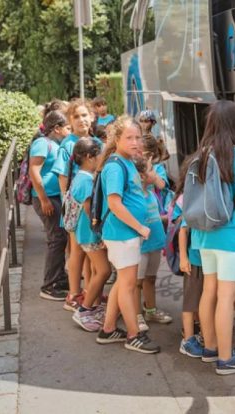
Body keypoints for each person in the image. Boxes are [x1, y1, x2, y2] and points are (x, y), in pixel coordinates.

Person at [189, 100, 235, 375]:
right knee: (227, 297)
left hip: (203, 234)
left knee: (209, 292)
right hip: (228, 236)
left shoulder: (201, 153)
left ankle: (211, 348)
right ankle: (227, 359)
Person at [95, 116, 160, 354]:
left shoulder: (126, 162)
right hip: (123, 234)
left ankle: (108, 328)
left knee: (123, 283)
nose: (135, 142)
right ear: (117, 139)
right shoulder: (115, 166)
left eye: (137, 137)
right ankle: (133, 334)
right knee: (128, 285)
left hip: (125, 233)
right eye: (129, 138)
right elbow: (114, 203)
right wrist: (140, 227)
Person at [52, 99, 102, 312]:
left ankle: (92, 291)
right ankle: (73, 293)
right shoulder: (68, 144)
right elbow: (63, 176)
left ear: (92, 117)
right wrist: (66, 203)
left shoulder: (94, 141)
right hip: (77, 206)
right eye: (76, 116)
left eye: (84, 115)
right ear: (70, 121)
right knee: (77, 252)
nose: (81, 120)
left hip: (91, 201)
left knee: (90, 252)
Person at [69, 138, 110, 332]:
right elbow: (89, 209)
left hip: (85, 234)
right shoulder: (86, 180)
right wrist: (101, 232)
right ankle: (84, 310)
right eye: (99, 154)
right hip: (90, 235)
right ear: (89, 157)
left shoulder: (81, 176)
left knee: (97, 271)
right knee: (104, 271)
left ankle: (93, 307)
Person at [31, 110, 70, 300]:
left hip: (54, 196)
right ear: (57, 128)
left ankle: (60, 278)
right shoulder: (42, 143)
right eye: (67, 127)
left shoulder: (54, 144)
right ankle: (49, 285)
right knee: (56, 239)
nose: (69, 131)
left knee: (61, 237)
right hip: (45, 198)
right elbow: (34, 171)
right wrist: (44, 199)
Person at [133, 156, 172, 332]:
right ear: (141, 175)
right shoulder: (134, 196)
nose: (154, 173)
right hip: (140, 246)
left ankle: (150, 310)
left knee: (151, 278)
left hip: (155, 243)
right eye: (151, 170)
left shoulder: (150, 193)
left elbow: (156, 215)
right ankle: (136, 315)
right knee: (136, 283)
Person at [176, 158, 205, 357]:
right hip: (194, 261)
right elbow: (183, 231)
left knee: (204, 300)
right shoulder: (192, 201)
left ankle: (203, 334)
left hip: (207, 261)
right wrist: (184, 257)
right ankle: (188, 339)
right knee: (191, 301)